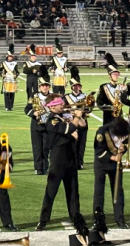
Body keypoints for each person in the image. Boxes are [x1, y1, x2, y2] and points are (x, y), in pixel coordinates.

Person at [36, 93, 87, 231]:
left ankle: (75, 218)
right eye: (59, 103)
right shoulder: (51, 119)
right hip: (58, 158)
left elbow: (82, 125)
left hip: (71, 157)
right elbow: (70, 129)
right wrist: (75, 117)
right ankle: (43, 220)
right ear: (52, 106)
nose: (62, 105)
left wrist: (79, 116)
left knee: (73, 191)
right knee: (51, 190)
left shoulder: (64, 115)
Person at [93, 117, 130, 229]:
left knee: (118, 191)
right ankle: (98, 220)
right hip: (102, 163)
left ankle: (120, 219)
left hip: (116, 165)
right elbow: (99, 151)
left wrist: (122, 151)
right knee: (99, 192)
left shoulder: (124, 131)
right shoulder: (102, 132)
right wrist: (113, 157)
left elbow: (126, 145)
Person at [25, 68, 51, 175]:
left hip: (48, 125)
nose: (45, 87)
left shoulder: (53, 97)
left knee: (46, 148)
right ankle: (38, 168)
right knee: (37, 148)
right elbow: (27, 109)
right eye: (43, 85)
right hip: (36, 125)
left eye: (47, 85)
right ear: (40, 87)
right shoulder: (34, 96)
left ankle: (45, 166)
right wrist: (33, 113)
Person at [64, 67, 90, 169]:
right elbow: (63, 110)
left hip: (83, 122)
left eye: (78, 85)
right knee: (72, 144)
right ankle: (72, 162)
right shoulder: (66, 97)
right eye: (75, 86)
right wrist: (72, 111)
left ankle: (80, 162)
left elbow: (89, 109)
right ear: (71, 87)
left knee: (81, 144)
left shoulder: (85, 96)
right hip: (72, 123)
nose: (77, 87)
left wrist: (85, 110)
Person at [96, 54, 128, 126]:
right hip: (108, 117)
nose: (116, 76)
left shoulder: (121, 87)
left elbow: (125, 101)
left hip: (119, 116)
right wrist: (109, 107)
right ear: (109, 76)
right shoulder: (103, 87)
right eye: (114, 74)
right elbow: (99, 103)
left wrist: (124, 91)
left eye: (117, 74)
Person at [0, 45, 19, 111]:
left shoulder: (15, 63)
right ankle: (7, 106)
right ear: (7, 57)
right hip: (6, 80)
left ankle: (11, 106)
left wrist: (16, 75)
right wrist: (2, 74)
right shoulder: (3, 63)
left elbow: (17, 72)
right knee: (6, 93)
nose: (10, 58)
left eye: (11, 57)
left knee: (12, 94)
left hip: (13, 80)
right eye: (9, 57)